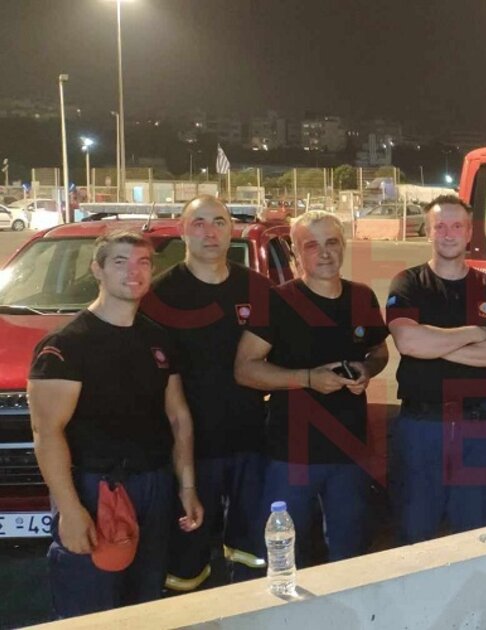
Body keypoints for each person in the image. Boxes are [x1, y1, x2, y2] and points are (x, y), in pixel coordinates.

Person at [29, 231, 204, 618]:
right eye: (120, 262)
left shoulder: (158, 340)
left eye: (143, 263)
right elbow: (46, 433)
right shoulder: (67, 345)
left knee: (145, 604)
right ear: (98, 270)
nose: (133, 272)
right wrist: (71, 510)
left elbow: (178, 417)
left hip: (154, 485)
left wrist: (187, 487)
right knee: (91, 611)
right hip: (95, 488)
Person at [234, 210, 389, 565]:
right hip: (293, 454)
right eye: (311, 245)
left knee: (350, 554)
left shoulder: (362, 297)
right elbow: (245, 369)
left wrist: (366, 369)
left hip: (349, 450)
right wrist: (307, 379)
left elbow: (379, 351)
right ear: (296, 252)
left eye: (331, 242)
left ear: (344, 246)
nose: (324, 252)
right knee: (286, 553)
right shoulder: (277, 301)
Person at [141, 195, 273, 590]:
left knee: (253, 552)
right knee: (186, 558)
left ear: (231, 229)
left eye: (218, 221)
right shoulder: (158, 296)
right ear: (182, 230)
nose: (209, 232)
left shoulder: (259, 289)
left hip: (252, 443)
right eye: (198, 222)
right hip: (188, 451)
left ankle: (251, 608)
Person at [386, 195, 486, 545]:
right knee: (416, 531)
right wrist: (473, 333)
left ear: (469, 232)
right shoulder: (408, 283)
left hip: (477, 427)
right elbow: (408, 343)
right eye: (439, 226)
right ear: (428, 232)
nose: (448, 233)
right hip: (421, 426)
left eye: (457, 225)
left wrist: (435, 345)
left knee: (475, 533)